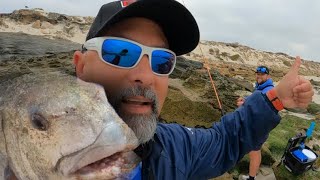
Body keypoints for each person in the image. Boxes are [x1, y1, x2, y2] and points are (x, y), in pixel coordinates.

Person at [73, 0, 314, 179]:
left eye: (161, 61)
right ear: (80, 66)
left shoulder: (173, 147)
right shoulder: (37, 155)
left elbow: (225, 141)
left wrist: (275, 99)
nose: (146, 76)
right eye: (120, 53)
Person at [237, 66, 274, 180]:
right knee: (254, 152)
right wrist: (246, 100)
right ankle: (252, 176)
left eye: (262, 74)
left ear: (268, 76)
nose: (258, 76)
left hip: (258, 128)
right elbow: (255, 100)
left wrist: (243, 105)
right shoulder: (261, 87)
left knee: (254, 153)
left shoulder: (268, 90)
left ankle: (252, 178)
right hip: (254, 126)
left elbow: (260, 109)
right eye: (257, 73)